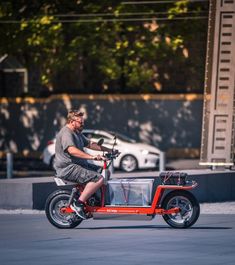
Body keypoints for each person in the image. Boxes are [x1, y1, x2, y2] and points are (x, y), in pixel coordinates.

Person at [54, 109, 115, 219]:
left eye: (83, 122)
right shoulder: (67, 133)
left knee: (106, 172)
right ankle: (79, 203)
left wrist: (110, 150)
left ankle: (93, 199)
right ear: (72, 121)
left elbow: (90, 144)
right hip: (68, 168)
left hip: (79, 165)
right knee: (98, 178)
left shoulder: (77, 133)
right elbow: (72, 150)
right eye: (80, 122)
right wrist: (92, 157)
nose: (82, 124)